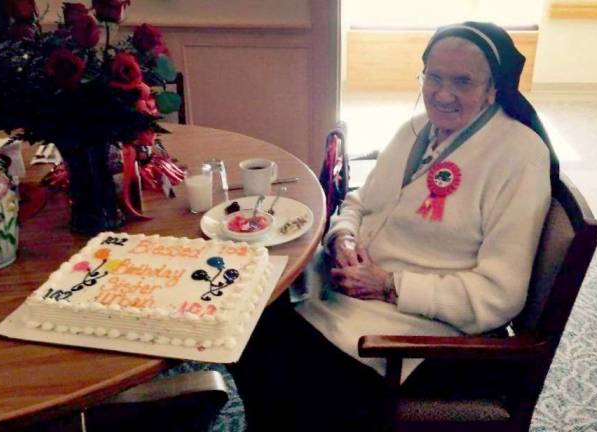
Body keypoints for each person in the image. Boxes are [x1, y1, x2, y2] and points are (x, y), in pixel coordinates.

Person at [230, 21, 558, 432]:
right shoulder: (416, 129)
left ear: (495, 89)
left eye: (463, 81)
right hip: (342, 293)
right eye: (434, 77)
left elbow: (500, 294)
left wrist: (390, 285)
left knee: (280, 366)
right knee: (241, 312)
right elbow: (359, 201)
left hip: (418, 335)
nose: (442, 93)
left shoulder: (519, 157)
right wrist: (343, 236)